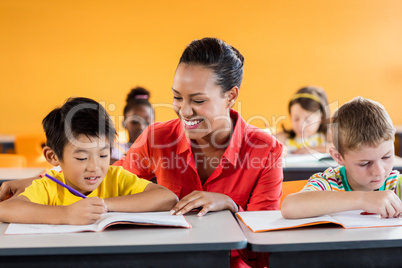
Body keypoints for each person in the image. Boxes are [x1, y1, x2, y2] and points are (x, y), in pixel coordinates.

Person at [0, 38, 283, 267]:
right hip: (165, 259)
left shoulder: (266, 151)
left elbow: (263, 250)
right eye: (176, 97)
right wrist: (35, 182)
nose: (184, 111)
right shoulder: (157, 137)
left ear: (231, 96)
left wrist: (231, 204)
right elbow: (105, 176)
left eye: (198, 100)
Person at [0, 97, 177, 224]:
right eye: (82, 158)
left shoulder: (115, 177)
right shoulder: (49, 186)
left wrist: (103, 205)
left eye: (103, 155)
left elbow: (168, 197)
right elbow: (5, 209)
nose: (95, 167)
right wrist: (66, 214)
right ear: (53, 157)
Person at [281, 97, 402, 219]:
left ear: (392, 138)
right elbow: (289, 207)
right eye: (365, 163)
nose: (379, 171)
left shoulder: (396, 184)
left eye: (386, 157)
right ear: (338, 157)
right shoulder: (330, 183)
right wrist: (362, 199)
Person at [276, 86, 330, 155]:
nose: (301, 125)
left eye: (308, 120)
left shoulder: (326, 136)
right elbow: (265, 143)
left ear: (321, 119)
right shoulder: (285, 137)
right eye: (296, 119)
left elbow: (341, 148)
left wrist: (315, 149)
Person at [111, 87, 155, 164]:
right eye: (135, 122)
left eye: (147, 122)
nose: (141, 126)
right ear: (123, 124)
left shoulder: (160, 151)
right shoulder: (114, 150)